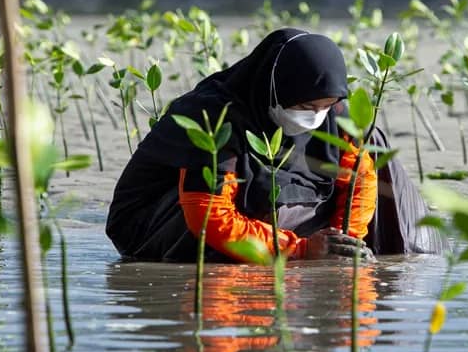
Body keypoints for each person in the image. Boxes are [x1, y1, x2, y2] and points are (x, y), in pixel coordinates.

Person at [105, 27, 440, 262]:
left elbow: (360, 179)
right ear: (276, 91)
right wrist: (302, 251)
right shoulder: (215, 118)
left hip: (279, 213)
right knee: (261, 192)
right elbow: (209, 217)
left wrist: (343, 240)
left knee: (373, 145)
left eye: (325, 107)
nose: (316, 117)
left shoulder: (337, 111)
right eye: (307, 107)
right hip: (163, 223)